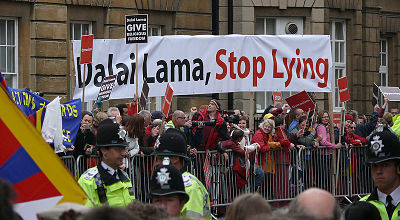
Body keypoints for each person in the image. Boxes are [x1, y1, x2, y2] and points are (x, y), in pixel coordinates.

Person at [152, 128, 211, 220]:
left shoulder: (190, 187)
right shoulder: (168, 182)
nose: (156, 163)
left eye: (160, 158)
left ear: (174, 158)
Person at [78, 119, 135, 207]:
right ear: (104, 150)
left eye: (124, 149)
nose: (124, 153)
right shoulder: (88, 182)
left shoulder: (124, 176)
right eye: (118, 149)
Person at [360, 129, 400, 220]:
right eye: (374, 166)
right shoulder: (363, 207)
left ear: (398, 167)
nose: (378, 171)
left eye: (385, 165)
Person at [315, 111, 341, 190]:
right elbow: (323, 142)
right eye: (324, 117)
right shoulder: (321, 127)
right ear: (320, 118)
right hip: (323, 156)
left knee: (326, 178)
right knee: (323, 179)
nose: (326, 118)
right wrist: (335, 146)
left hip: (327, 155)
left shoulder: (326, 127)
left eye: (327, 117)